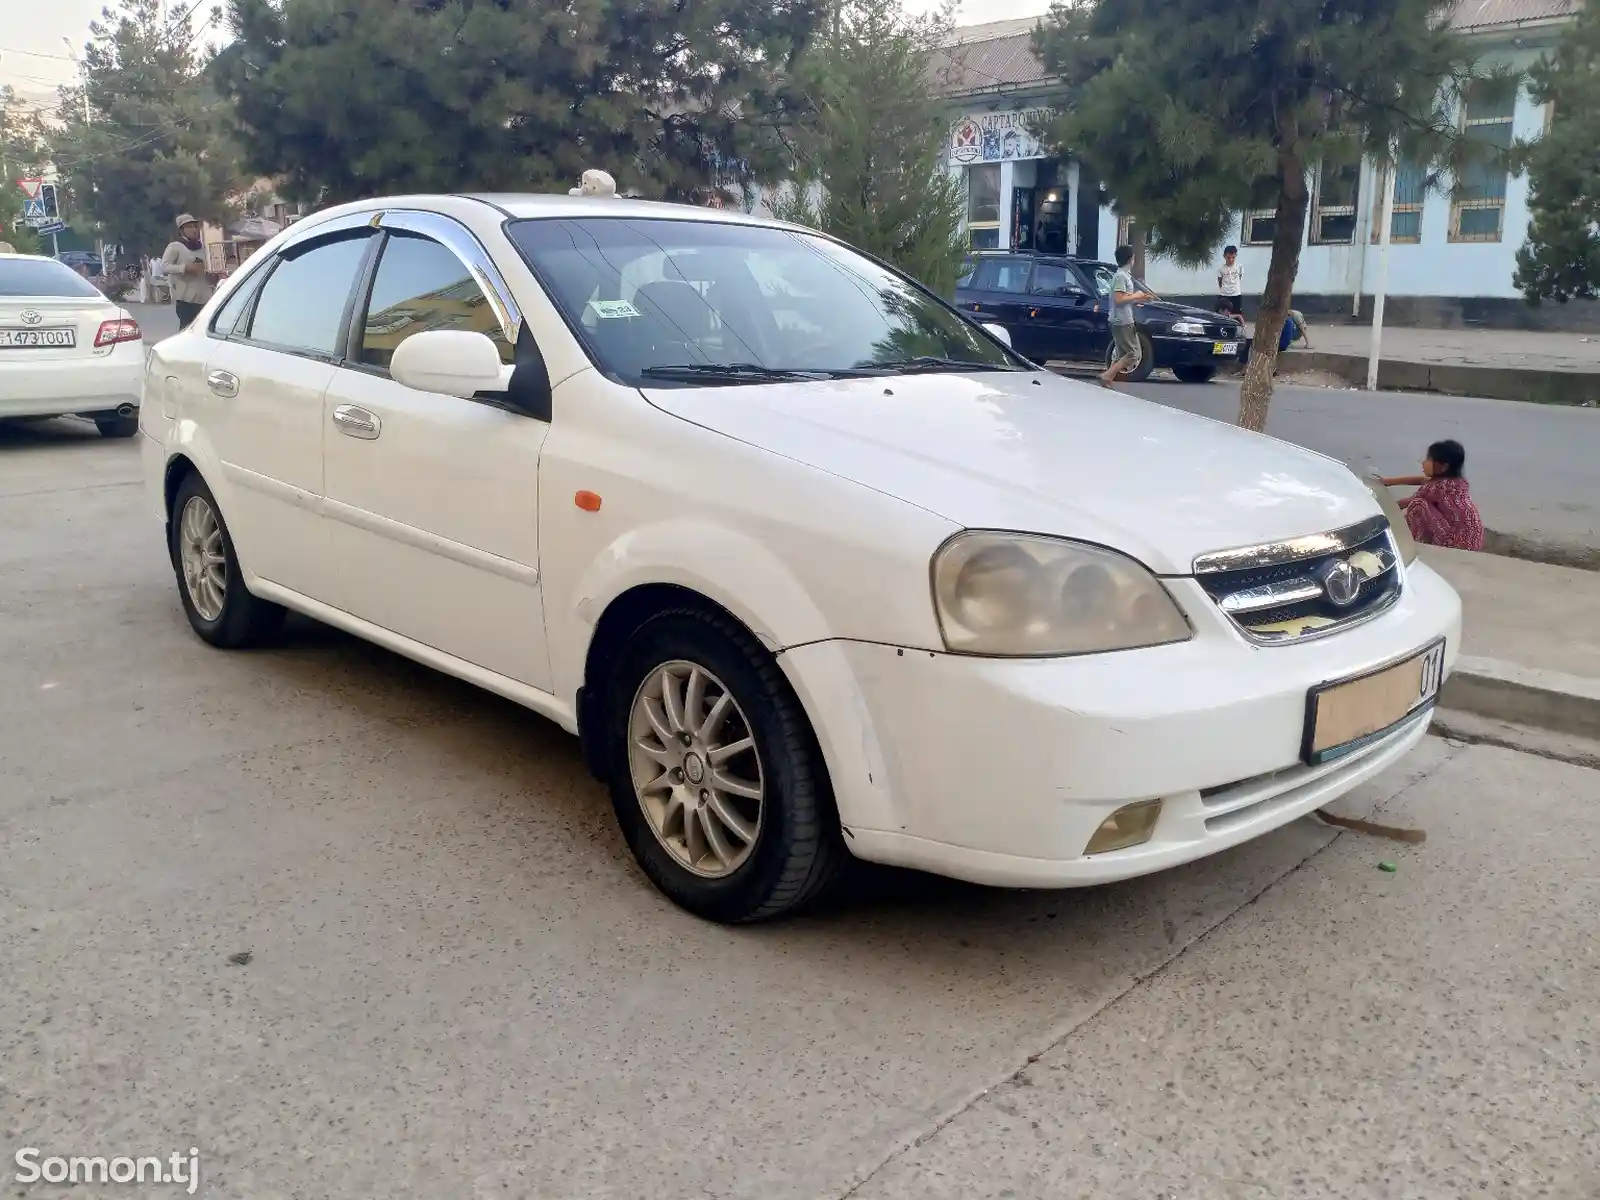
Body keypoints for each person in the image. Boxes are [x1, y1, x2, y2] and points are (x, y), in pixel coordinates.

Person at [1380, 439, 1484, 551]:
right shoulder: (1455, 483)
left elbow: (1403, 504)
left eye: (1429, 459)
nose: (1423, 462)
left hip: (1457, 543)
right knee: (1419, 510)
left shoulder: (1439, 487)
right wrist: (1389, 481)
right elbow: (1422, 480)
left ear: (1443, 467)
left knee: (1417, 505)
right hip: (1472, 540)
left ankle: (1416, 545)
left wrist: (1381, 508)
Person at [1099, 244, 1155, 387]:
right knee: (1133, 354)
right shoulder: (1120, 277)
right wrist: (1136, 295)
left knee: (1121, 352)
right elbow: (1119, 299)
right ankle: (1107, 375)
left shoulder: (1122, 276)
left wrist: (1139, 299)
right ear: (1130, 259)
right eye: (1134, 256)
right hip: (1122, 321)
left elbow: (1124, 297)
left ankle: (1108, 379)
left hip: (1121, 318)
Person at [161, 214, 217, 330]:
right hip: (186, 300)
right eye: (190, 227)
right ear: (182, 231)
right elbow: (164, 267)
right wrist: (185, 268)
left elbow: (204, 270)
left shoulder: (202, 248)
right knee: (187, 332)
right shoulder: (175, 247)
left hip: (205, 299)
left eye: (195, 226)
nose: (194, 229)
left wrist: (212, 276)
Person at [1216, 245, 1243, 324]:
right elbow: (1219, 281)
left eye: (1233, 257)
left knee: (1236, 315)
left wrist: (1233, 287)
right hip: (1224, 295)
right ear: (1224, 256)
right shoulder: (1221, 268)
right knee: (1221, 316)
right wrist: (1225, 289)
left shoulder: (1239, 267)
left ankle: (1235, 332)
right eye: (1228, 257)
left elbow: (1240, 277)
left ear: (1236, 256)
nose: (1231, 260)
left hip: (1236, 294)